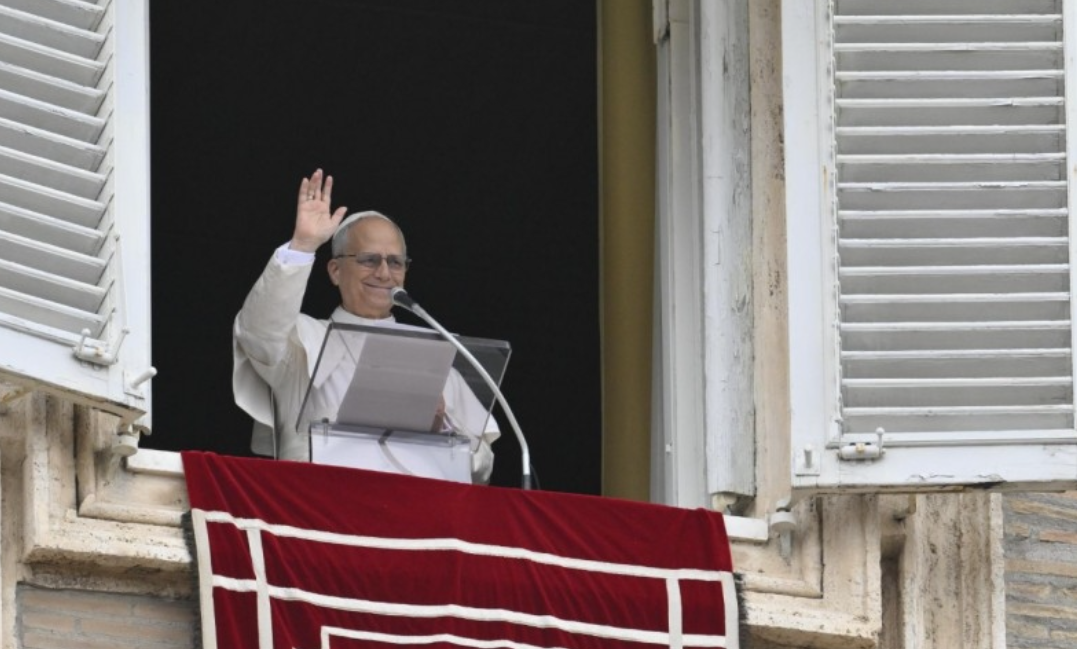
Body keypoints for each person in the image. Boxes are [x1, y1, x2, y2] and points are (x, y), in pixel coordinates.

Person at [232, 169, 498, 483]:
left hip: (420, 509)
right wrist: (302, 246)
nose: (384, 273)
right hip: (324, 503)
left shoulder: (433, 356)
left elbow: (482, 465)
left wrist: (441, 430)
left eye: (395, 262)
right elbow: (259, 333)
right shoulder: (303, 342)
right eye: (369, 260)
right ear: (335, 271)